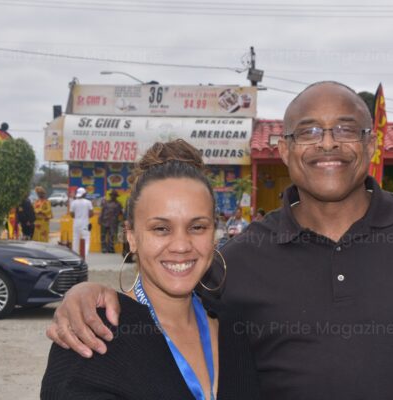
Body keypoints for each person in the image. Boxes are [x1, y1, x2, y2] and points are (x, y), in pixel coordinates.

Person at [45, 81, 393, 399]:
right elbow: (162, 296)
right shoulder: (237, 263)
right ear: (283, 149)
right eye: (308, 131)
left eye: (346, 129)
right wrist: (89, 293)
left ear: (371, 144)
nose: (328, 143)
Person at [41, 140, 260, 399]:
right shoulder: (90, 338)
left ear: (214, 234)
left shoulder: (234, 328)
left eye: (197, 227)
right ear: (131, 237)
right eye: (161, 228)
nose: (181, 245)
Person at [70, 187, 93, 257]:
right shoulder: (88, 202)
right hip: (85, 223)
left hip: (76, 223)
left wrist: (77, 216)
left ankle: (75, 254)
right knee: (86, 238)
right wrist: (85, 216)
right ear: (84, 194)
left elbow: (71, 214)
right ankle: (85, 254)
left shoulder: (73, 202)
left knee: (75, 238)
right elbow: (91, 213)